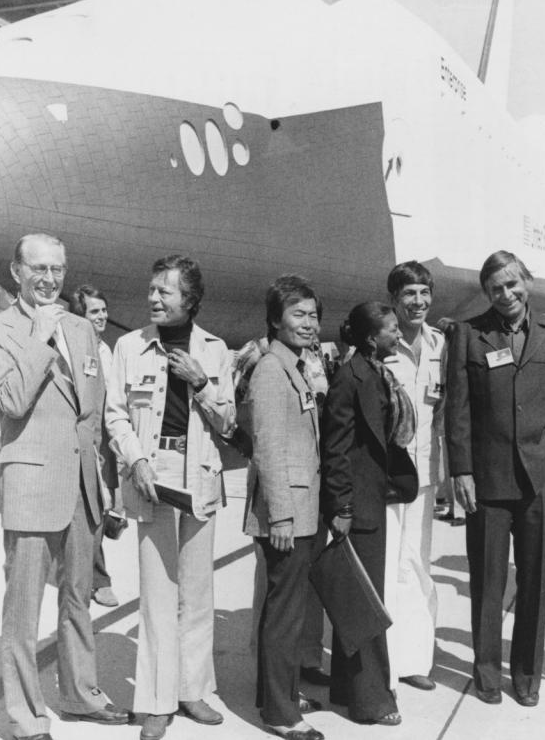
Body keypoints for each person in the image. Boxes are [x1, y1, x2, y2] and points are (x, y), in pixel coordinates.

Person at [0, 233, 129, 740]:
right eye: (38, 268)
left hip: (83, 485)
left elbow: (94, 413)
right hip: (33, 485)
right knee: (23, 612)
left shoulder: (83, 329)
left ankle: (80, 695)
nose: (48, 279)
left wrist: (104, 483)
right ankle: (25, 716)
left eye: (57, 269)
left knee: (77, 599)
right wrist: (40, 336)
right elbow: (13, 400)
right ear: (16, 271)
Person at [105, 254, 234, 740]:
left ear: (191, 300)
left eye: (166, 291)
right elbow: (115, 414)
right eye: (152, 289)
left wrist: (201, 384)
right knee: (158, 593)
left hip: (199, 474)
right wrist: (135, 459)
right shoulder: (129, 347)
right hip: (150, 475)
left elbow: (229, 423)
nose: (153, 298)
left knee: (197, 593)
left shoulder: (216, 350)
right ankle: (156, 701)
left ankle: (191, 690)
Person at [445, 250, 545, 707]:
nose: (506, 295)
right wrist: (461, 469)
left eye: (512, 284)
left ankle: (527, 675)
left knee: (535, 582)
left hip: (540, 478)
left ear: (528, 281)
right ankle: (486, 674)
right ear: (486, 293)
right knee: (487, 580)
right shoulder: (469, 334)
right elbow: (457, 409)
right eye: (495, 288)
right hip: (487, 479)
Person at [321, 301, 416, 726]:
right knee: (365, 604)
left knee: (357, 598)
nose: (398, 334)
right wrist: (340, 506)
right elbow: (336, 448)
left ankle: (347, 688)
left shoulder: (375, 372)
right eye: (392, 329)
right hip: (357, 506)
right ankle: (372, 701)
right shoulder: (349, 377)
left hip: (370, 500)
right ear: (370, 337)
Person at [243, 276, 326, 740]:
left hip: (297, 506)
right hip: (287, 511)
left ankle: (279, 693)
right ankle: (279, 713)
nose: (309, 323)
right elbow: (268, 448)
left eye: (313, 314)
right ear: (276, 319)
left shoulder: (295, 365)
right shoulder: (273, 370)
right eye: (298, 314)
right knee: (284, 613)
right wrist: (280, 515)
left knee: (286, 609)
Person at [381, 261, 445, 691]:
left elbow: (447, 413)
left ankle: (415, 659)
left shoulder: (442, 345)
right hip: (386, 475)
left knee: (417, 564)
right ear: (394, 300)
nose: (418, 301)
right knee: (386, 566)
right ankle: (382, 663)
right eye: (409, 294)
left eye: (424, 292)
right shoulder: (380, 346)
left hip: (425, 474)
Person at [71, 284, 120, 608]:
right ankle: (97, 579)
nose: (102, 316)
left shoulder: (106, 349)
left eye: (103, 310)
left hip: (108, 437)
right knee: (90, 514)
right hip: (85, 439)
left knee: (109, 510)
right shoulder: (75, 352)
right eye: (94, 311)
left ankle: (88, 574)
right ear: (81, 317)